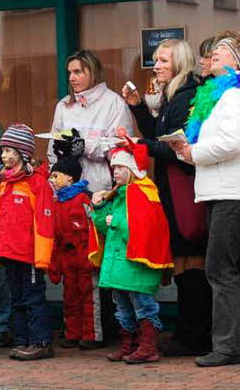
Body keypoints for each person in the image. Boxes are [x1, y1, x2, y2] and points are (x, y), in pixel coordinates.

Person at [169, 30, 240, 367]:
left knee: (219, 269)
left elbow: (231, 144)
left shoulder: (237, 94)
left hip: (234, 191)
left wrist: (193, 152)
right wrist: (187, 150)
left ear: (238, 60)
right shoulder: (222, 94)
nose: (214, 55)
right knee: (233, 269)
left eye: (222, 51)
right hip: (224, 189)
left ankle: (228, 347)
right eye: (214, 51)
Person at [122, 38, 209, 356]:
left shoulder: (186, 97)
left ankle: (195, 335)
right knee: (185, 263)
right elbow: (161, 136)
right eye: (155, 59)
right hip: (175, 188)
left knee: (193, 264)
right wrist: (137, 107)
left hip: (184, 189)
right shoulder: (173, 94)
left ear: (180, 63)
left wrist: (140, 144)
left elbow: (176, 148)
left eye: (162, 60)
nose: (155, 65)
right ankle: (187, 332)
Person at [89, 144, 172, 364]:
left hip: (135, 266)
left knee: (143, 306)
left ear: (133, 169)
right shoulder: (118, 195)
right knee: (123, 308)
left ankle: (147, 347)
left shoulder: (143, 193)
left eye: (120, 167)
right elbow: (106, 230)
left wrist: (114, 221)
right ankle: (129, 345)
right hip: (119, 264)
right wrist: (99, 209)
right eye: (113, 167)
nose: (115, 171)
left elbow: (143, 227)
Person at [0, 124, 55, 361]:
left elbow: (44, 221)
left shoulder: (36, 183)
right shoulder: (3, 184)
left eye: (9, 151)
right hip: (9, 253)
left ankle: (41, 342)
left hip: (30, 255)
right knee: (16, 299)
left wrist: (42, 256)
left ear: (23, 154)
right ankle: (23, 340)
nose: (4, 156)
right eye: (3, 150)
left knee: (33, 298)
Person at [51, 50, 134, 192]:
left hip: (99, 188)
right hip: (66, 189)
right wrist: (59, 155)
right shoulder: (64, 105)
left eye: (78, 72)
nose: (71, 78)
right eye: (69, 73)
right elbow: (51, 151)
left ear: (93, 74)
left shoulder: (114, 103)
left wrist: (85, 146)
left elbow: (121, 151)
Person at [47, 154, 102, 350]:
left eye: (56, 176)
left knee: (89, 298)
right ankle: (72, 333)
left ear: (70, 177)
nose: (52, 180)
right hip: (67, 259)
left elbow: (96, 227)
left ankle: (92, 335)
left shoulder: (84, 199)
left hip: (85, 257)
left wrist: (94, 257)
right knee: (70, 297)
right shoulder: (57, 202)